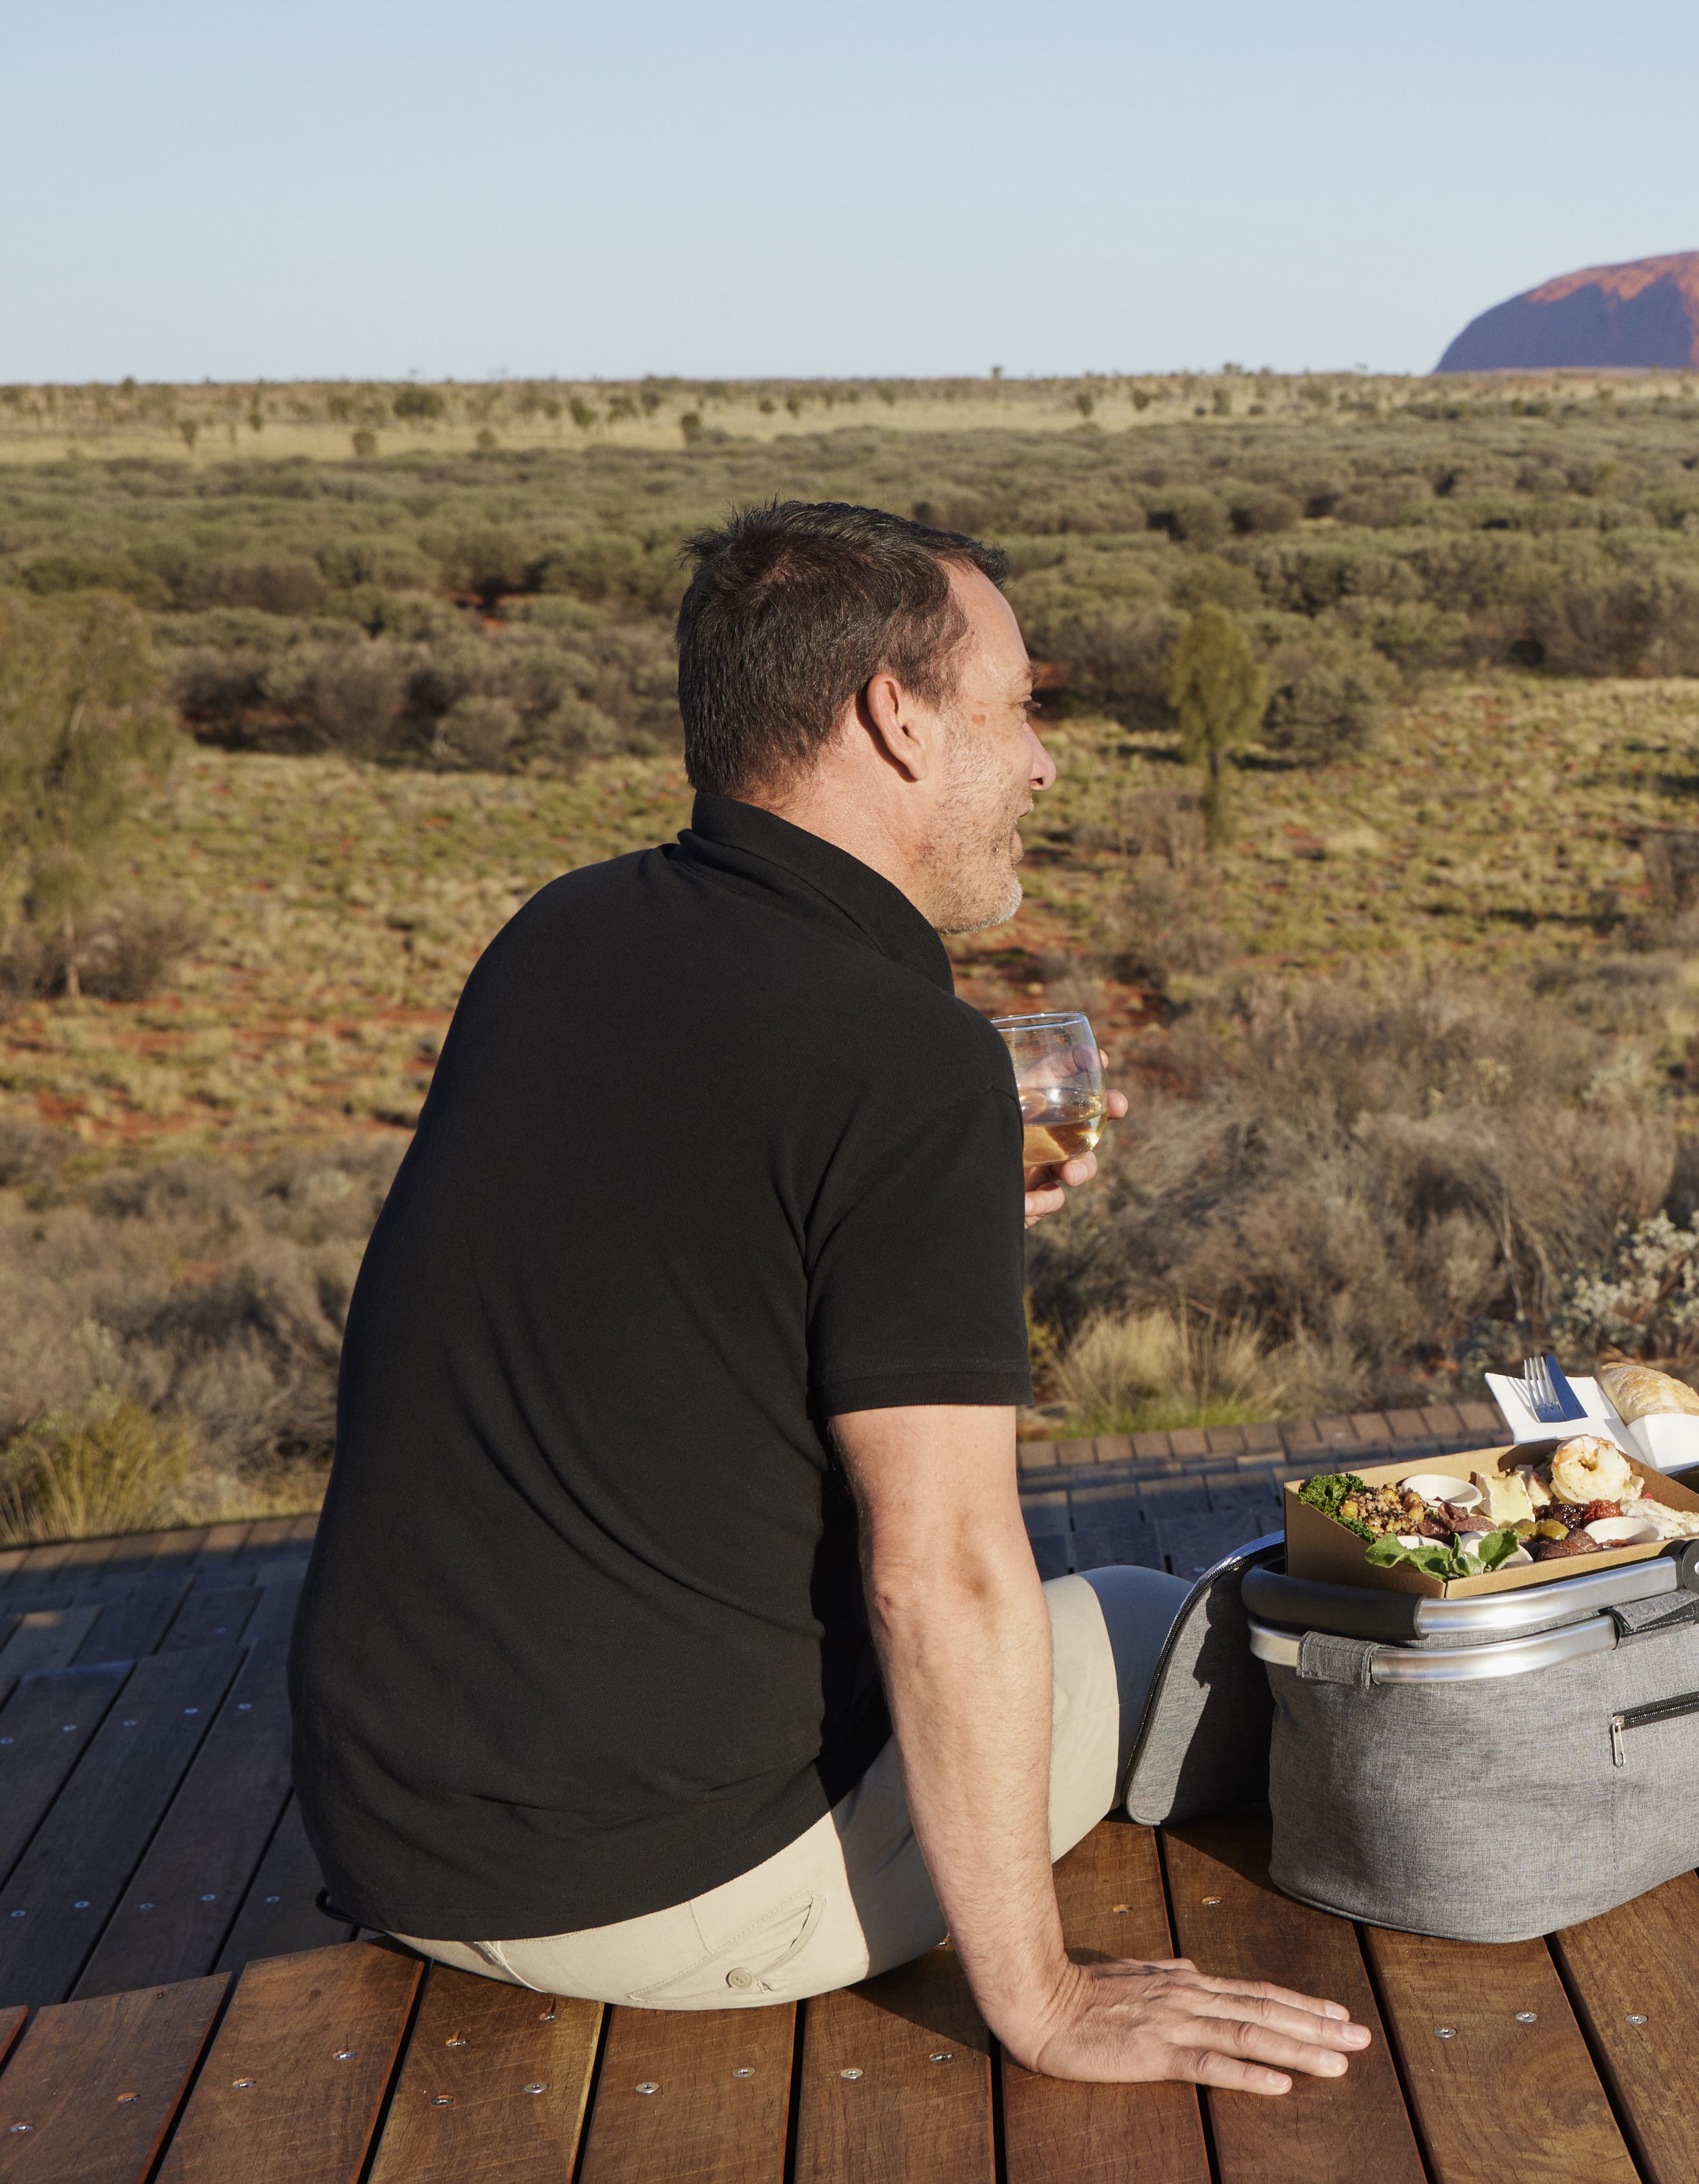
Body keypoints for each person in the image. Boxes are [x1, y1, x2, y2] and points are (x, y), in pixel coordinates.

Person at [292, 501, 1368, 2094]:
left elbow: (654, 1237)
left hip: (395, 1826)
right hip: (655, 1894)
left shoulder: (562, 930)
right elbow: (941, 1579)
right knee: (1158, 1627)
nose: (1044, 761)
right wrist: (1047, 2002)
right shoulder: (904, 1064)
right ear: (896, 715)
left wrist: (911, 1207)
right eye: (1017, 709)